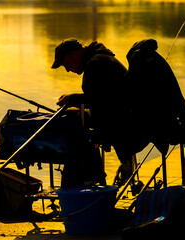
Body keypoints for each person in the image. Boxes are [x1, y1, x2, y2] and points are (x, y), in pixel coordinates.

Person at [51, 39, 134, 187]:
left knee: (73, 127)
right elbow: (101, 98)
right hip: (119, 113)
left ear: (76, 54)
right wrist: (75, 104)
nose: (68, 70)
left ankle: (87, 178)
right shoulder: (99, 59)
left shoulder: (95, 64)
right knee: (73, 118)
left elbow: (100, 100)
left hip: (119, 119)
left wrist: (72, 99)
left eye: (66, 64)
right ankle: (93, 175)